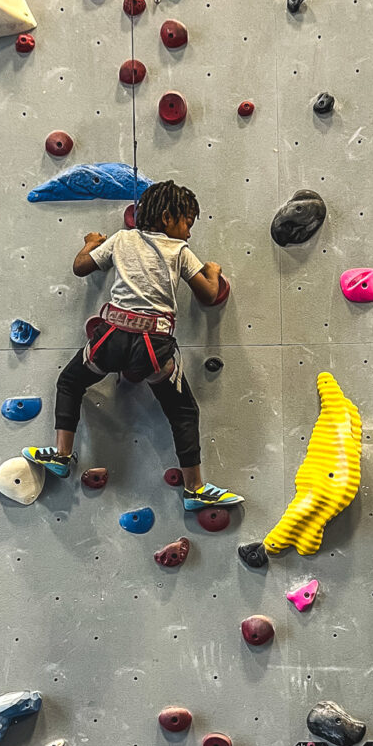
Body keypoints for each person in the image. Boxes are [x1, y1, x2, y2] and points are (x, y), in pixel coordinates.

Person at [25, 180, 244, 510]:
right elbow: (209, 294)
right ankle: (194, 489)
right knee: (183, 412)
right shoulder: (180, 252)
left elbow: (81, 267)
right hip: (153, 348)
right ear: (167, 217)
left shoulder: (122, 239)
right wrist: (212, 271)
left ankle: (61, 455)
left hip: (112, 337)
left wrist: (90, 243)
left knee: (70, 382)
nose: (189, 232)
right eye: (187, 222)